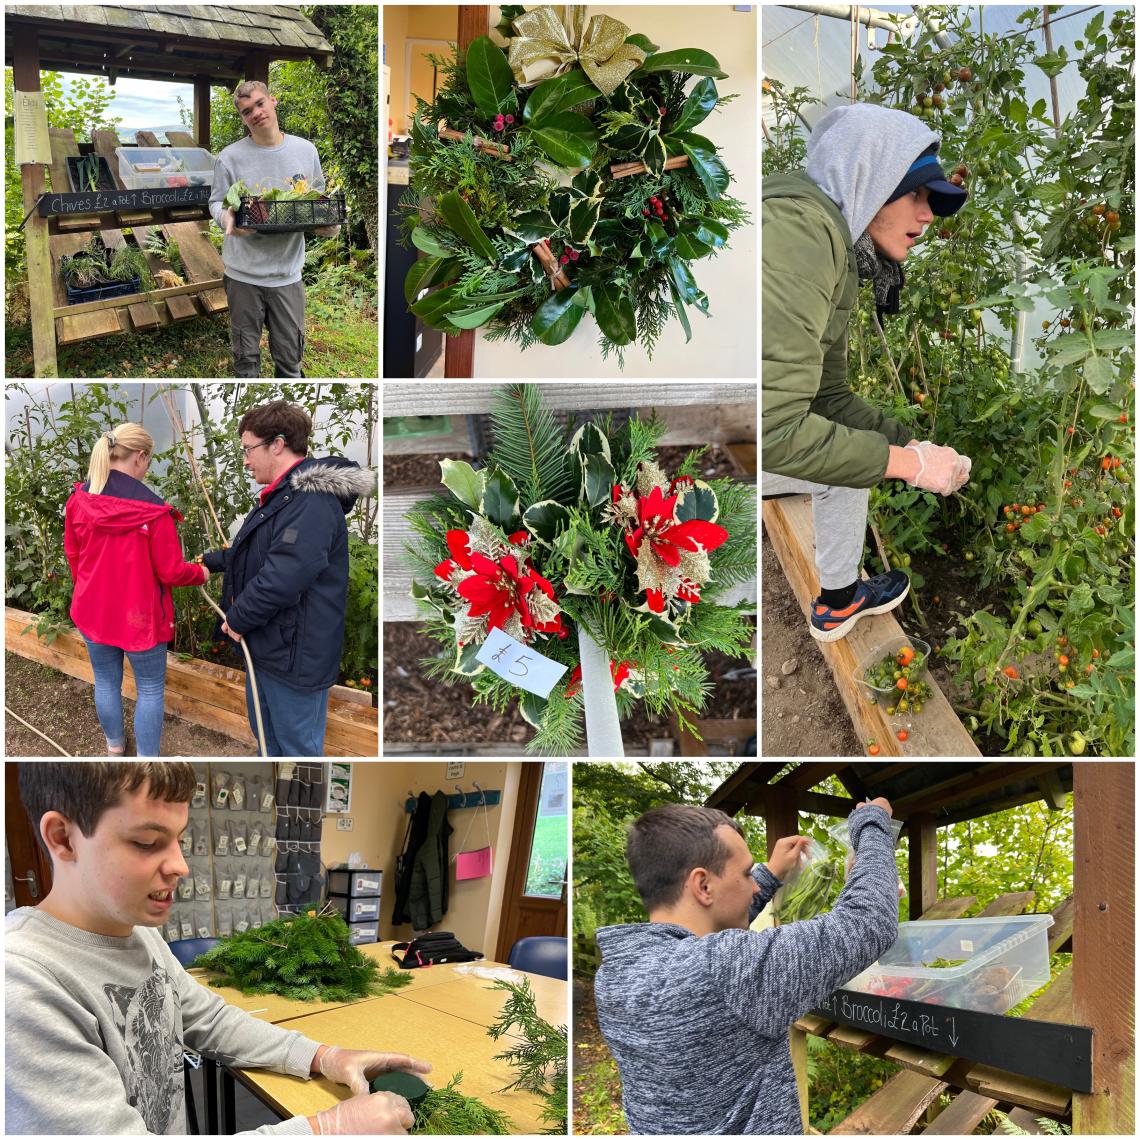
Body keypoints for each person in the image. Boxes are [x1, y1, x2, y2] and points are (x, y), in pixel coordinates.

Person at [6, 762, 429, 1135]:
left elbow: (207, 1017)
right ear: (63, 838)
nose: (180, 866)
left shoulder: (136, 932)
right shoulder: (25, 986)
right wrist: (326, 1129)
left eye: (179, 839)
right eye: (147, 842)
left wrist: (323, 1056)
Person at [762, 102, 973, 642]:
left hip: (731, 430)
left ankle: (839, 593)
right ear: (869, 177)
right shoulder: (801, 239)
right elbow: (773, 430)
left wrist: (914, 444)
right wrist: (903, 463)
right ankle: (838, 602)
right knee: (850, 464)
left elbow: (827, 396)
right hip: (717, 447)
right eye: (916, 194)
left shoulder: (829, 242)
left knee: (856, 449)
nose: (927, 215)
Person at [594, 798, 899, 1135]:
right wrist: (872, 823)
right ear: (703, 885)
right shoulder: (723, 971)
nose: (754, 885)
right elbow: (869, 922)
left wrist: (770, 875)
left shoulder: (618, 971)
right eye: (745, 874)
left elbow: (704, 937)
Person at [201, 400, 375, 756]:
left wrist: (237, 618)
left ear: (277, 444)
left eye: (248, 449)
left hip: (294, 657)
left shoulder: (311, 502)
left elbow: (284, 575)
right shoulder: (286, 496)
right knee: (269, 742)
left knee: (297, 752)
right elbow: (264, 553)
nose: (246, 460)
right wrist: (212, 562)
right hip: (272, 647)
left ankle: (298, 813)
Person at [64, 423, 207, 756]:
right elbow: (171, 571)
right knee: (151, 689)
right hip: (140, 618)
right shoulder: (155, 514)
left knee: (105, 681)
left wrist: (88, 589)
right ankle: (145, 761)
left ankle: (114, 748)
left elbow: (74, 555)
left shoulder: (79, 502)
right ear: (140, 457)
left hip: (93, 612)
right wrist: (200, 573)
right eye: (148, 461)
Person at [209, 80, 341, 378]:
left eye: (259, 104)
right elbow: (216, 202)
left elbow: (318, 200)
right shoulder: (229, 157)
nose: (255, 113)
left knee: (290, 358)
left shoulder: (305, 151)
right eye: (246, 111)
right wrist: (226, 219)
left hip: (287, 275)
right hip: (243, 275)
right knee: (246, 358)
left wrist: (327, 225)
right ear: (242, 119)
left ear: (273, 101)